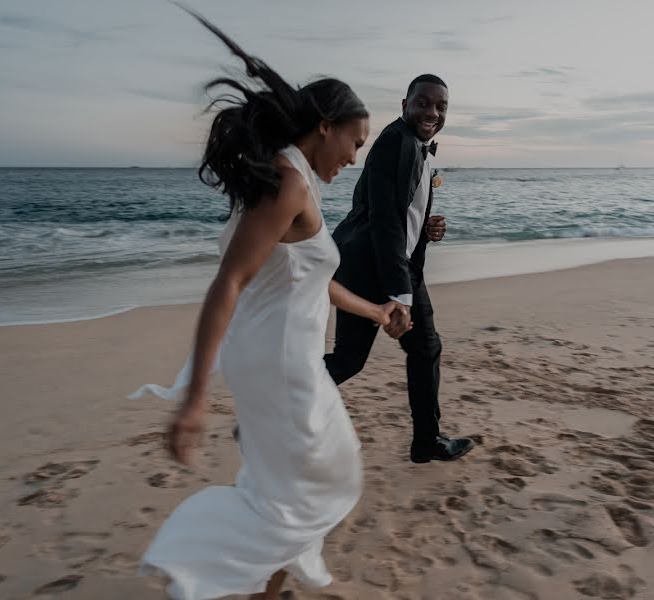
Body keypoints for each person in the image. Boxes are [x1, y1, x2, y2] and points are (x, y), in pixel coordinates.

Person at [131, 8, 404, 600]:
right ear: (326, 126)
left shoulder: (290, 177)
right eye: (355, 142)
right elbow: (228, 281)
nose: (355, 157)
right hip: (284, 369)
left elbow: (311, 282)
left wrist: (377, 312)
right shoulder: (290, 182)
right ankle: (201, 571)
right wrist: (197, 398)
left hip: (275, 361)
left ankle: (265, 592)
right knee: (326, 482)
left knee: (293, 492)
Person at [324, 74, 475, 464]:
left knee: (423, 348)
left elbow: (398, 213)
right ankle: (271, 411)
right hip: (377, 268)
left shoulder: (413, 144)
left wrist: (425, 229)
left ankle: (427, 440)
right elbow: (384, 221)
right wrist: (399, 294)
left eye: (441, 106)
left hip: (392, 264)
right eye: (423, 103)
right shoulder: (397, 142)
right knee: (349, 360)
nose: (432, 112)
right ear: (405, 103)